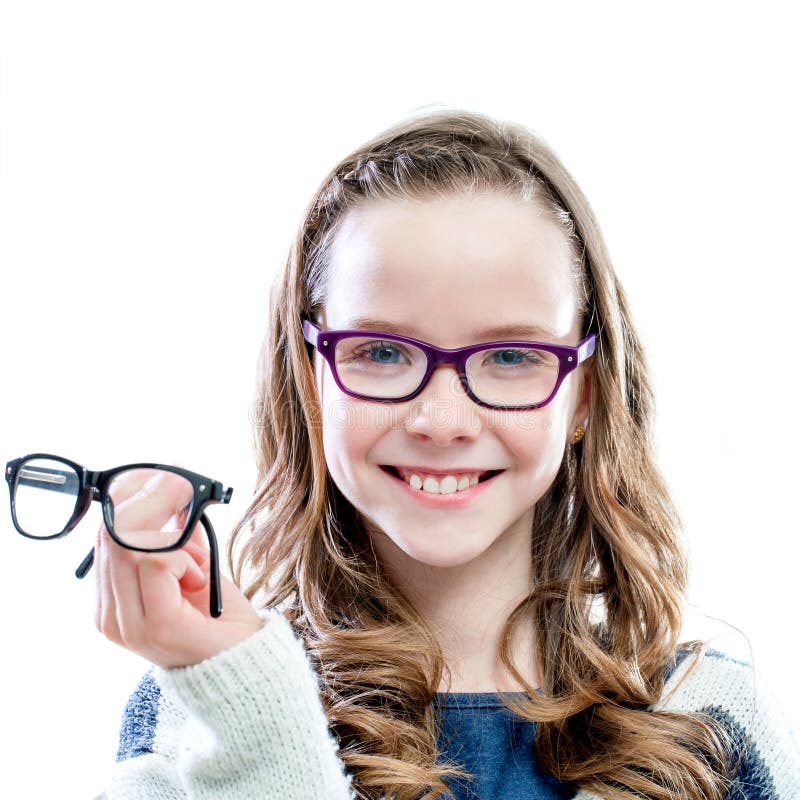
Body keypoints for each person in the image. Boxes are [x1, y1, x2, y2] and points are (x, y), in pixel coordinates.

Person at [97, 108, 799, 800]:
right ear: (312, 382)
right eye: (379, 351)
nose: (442, 419)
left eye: (512, 356)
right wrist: (257, 724)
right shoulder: (201, 714)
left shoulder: (712, 721)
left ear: (583, 395)